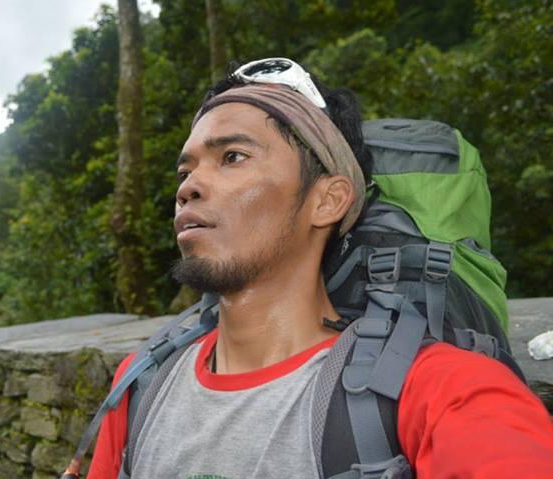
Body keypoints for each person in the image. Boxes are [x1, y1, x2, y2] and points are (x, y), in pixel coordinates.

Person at [81, 58, 553, 478]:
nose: (189, 188)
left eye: (233, 157)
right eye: (185, 172)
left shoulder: (433, 389)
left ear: (328, 200)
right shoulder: (142, 381)